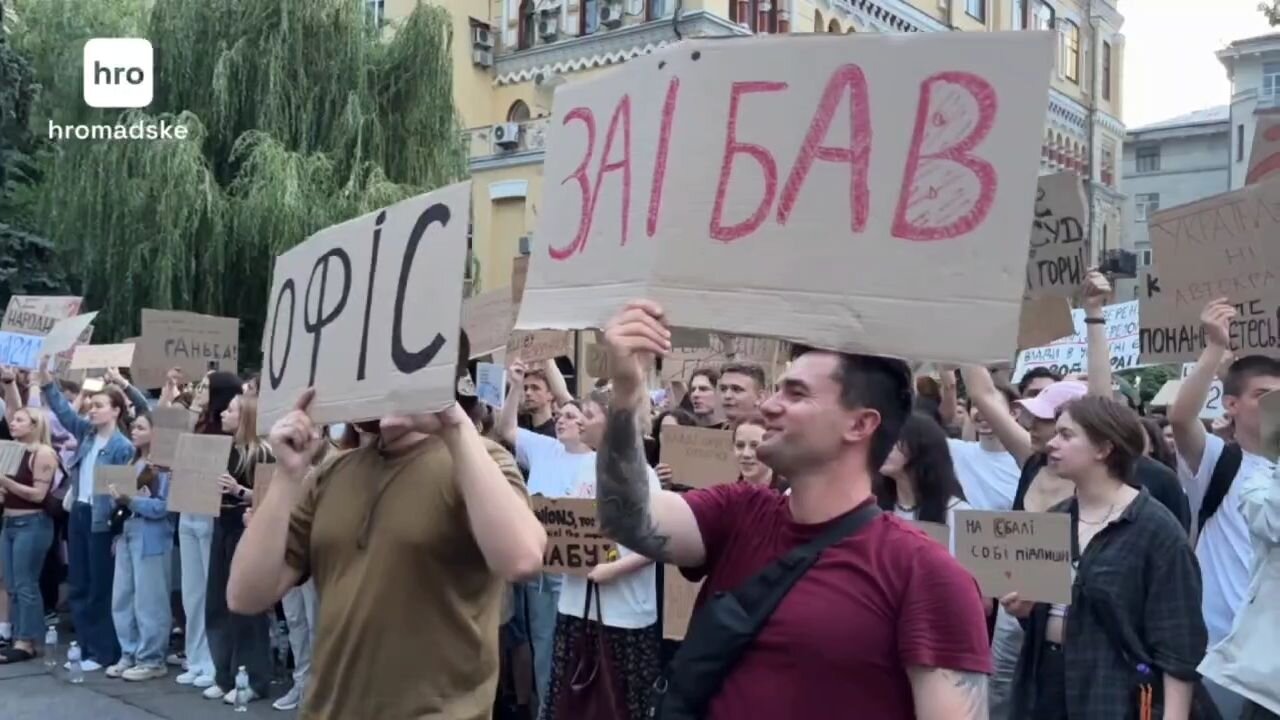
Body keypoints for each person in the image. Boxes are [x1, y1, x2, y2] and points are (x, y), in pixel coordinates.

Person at [595, 300, 992, 719]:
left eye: (796, 394)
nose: (767, 406)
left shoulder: (926, 574)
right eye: (778, 388)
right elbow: (627, 517)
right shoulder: (738, 511)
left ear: (860, 425)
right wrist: (626, 393)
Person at [226, 335, 546, 719]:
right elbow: (245, 595)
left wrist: (454, 424)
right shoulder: (332, 473)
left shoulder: (479, 459)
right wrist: (286, 475)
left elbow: (523, 559)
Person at [1002, 396, 1206, 720]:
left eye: (1067, 435)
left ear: (1103, 448)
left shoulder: (1156, 529)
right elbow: (1044, 613)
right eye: (1055, 433)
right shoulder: (1054, 520)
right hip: (1046, 688)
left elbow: (1179, 640)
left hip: (1116, 692)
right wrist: (1024, 609)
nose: (1052, 444)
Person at [1170, 298, 1280, 718]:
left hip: (1270, 656)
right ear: (1231, 405)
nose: (1273, 405)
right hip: (1219, 651)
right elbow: (1182, 418)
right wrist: (1215, 347)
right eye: (1262, 396)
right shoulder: (1219, 461)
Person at [541, 387, 661, 720]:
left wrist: (614, 569)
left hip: (622, 615)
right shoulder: (584, 466)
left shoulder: (640, 474)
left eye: (589, 415)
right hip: (575, 608)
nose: (580, 420)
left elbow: (659, 542)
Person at [497, 360, 598, 715]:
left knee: (577, 650)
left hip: (583, 576)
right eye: (560, 414)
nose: (562, 418)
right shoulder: (542, 447)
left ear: (589, 424)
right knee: (543, 644)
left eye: (571, 415)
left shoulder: (602, 464)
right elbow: (506, 427)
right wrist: (514, 386)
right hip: (542, 574)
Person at [37, 355, 135, 672]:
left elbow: (124, 495)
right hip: (80, 511)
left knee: (99, 586)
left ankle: (104, 651)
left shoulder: (123, 447)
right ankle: (86, 644)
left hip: (102, 518)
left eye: (100, 405)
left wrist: (117, 527)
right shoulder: (88, 435)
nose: (92, 409)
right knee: (79, 583)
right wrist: (46, 380)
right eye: (91, 405)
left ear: (116, 410)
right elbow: (64, 413)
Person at [204, 390, 275, 705]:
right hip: (221, 527)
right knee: (217, 604)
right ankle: (225, 674)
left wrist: (240, 490)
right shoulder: (222, 449)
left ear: (244, 415)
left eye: (230, 410)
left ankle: (253, 678)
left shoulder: (260, 452)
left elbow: (271, 496)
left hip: (244, 531)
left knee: (245, 608)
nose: (222, 414)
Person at [1198, 456, 1280, 720]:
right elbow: (1061, 598)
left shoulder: (1146, 509)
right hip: (1254, 668)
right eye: (1061, 432)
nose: (1061, 445)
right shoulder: (1063, 513)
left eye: (1067, 434)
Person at [174, 371, 240, 690]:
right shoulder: (199, 422)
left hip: (211, 511)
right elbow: (183, 443)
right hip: (189, 505)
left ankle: (216, 663)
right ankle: (196, 657)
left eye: (204, 387)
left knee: (212, 592)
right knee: (192, 591)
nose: (198, 391)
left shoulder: (227, 427)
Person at [104, 413, 174, 681]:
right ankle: (129, 653)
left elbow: (164, 507)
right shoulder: (132, 461)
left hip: (151, 534)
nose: (134, 430)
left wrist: (130, 501)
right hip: (127, 531)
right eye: (133, 426)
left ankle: (152, 658)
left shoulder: (163, 466)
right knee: (122, 597)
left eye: (141, 427)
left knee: (150, 599)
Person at [0, 369, 58, 664]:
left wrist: (6, 483)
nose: (13, 422)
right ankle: (22, 637)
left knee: (26, 583)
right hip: (10, 522)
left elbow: (37, 494)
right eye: (13, 419)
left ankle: (27, 640)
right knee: (12, 583)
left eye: (20, 420)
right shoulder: (13, 450)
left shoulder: (43, 453)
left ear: (35, 425)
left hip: (31, 524)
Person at [939, 370, 1022, 511]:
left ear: (1014, 412)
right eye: (975, 405)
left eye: (991, 407)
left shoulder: (1026, 462)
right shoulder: (954, 451)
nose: (981, 412)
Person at [877, 412, 971, 527]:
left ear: (921, 448)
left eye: (895, 440)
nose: (885, 447)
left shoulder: (956, 512)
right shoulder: (876, 507)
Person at [732, 415, 780, 490]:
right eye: (740, 445)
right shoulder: (726, 497)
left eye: (755, 446)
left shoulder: (791, 495)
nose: (746, 454)